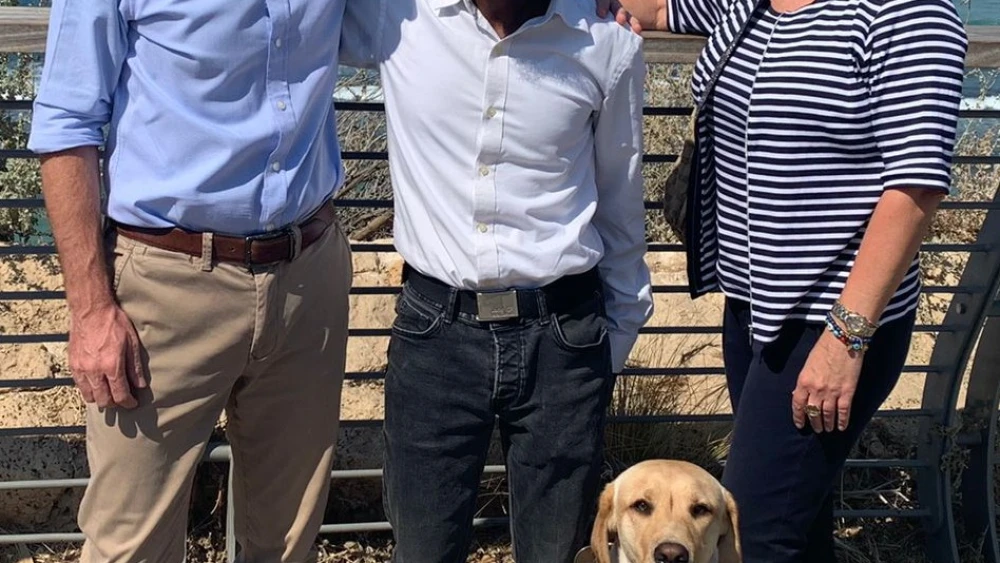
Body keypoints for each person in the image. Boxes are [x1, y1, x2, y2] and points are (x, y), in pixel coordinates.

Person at [613, 0, 967, 560]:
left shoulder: (907, 11)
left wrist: (845, 339)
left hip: (833, 323)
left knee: (753, 535)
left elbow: (916, 188)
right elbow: (652, 7)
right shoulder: (749, 4)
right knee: (795, 528)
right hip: (753, 312)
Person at [28, 2, 355, 561]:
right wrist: (90, 311)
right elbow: (65, 121)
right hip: (163, 289)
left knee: (288, 542)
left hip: (309, 272)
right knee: (129, 545)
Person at [340, 1, 653, 561]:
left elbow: (620, 201)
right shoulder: (397, 16)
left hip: (564, 335)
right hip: (435, 331)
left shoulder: (608, 43)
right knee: (422, 549)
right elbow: (291, 27)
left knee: (556, 552)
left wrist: (615, 338)